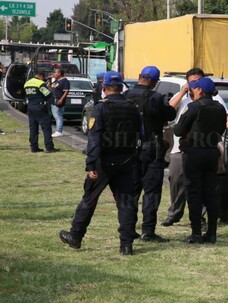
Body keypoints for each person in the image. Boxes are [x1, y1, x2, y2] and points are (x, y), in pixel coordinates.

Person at [59, 71, 141, 255]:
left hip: (104, 162)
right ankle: (126, 245)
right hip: (127, 161)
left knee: (89, 198)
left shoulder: (101, 108)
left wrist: (91, 164)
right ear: (121, 87)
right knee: (126, 201)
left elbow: (94, 138)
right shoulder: (132, 107)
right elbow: (140, 134)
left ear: (104, 88)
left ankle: (76, 236)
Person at [162, 68, 228, 227]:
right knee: (177, 181)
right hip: (189, 150)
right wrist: (182, 93)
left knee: (197, 188)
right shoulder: (184, 98)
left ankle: (198, 222)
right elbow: (168, 111)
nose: (195, 85)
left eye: (198, 82)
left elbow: (179, 129)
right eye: (192, 82)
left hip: (194, 150)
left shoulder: (203, 105)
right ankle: (177, 214)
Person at [124, 66, 176, 243]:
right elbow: (170, 114)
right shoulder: (156, 97)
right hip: (152, 148)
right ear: (155, 82)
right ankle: (148, 231)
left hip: (129, 149)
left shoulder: (126, 96)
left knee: (131, 191)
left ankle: (128, 228)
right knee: (152, 192)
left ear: (139, 77)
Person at [173, 77, 226, 244]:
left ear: (200, 91)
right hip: (211, 153)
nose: (191, 91)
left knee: (194, 193)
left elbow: (178, 130)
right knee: (210, 193)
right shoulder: (219, 108)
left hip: (194, 153)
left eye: (194, 89)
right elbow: (220, 129)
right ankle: (211, 234)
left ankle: (196, 233)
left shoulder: (193, 107)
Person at [23, 72, 58, 153]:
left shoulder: (27, 83)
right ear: (41, 76)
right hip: (40, 107)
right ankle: (49, 147)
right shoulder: (40, 83)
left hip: (30, 107)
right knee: (46, 127)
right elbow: (47, 94)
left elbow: (26, 96)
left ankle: (34, 147)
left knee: (33, 128)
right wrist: (54, 102)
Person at [50, 68, 70, 137]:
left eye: (55, 73)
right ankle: (58, 130)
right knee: (56, 116)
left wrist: (61, 99)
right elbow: (51, 87)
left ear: (59, 73)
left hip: (58, 100)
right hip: (53, 100)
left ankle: (59, 131)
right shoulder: (56, 80)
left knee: (58, 116)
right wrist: (50, 80)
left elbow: (66, 91)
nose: (54, 74)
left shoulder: (65, 81)